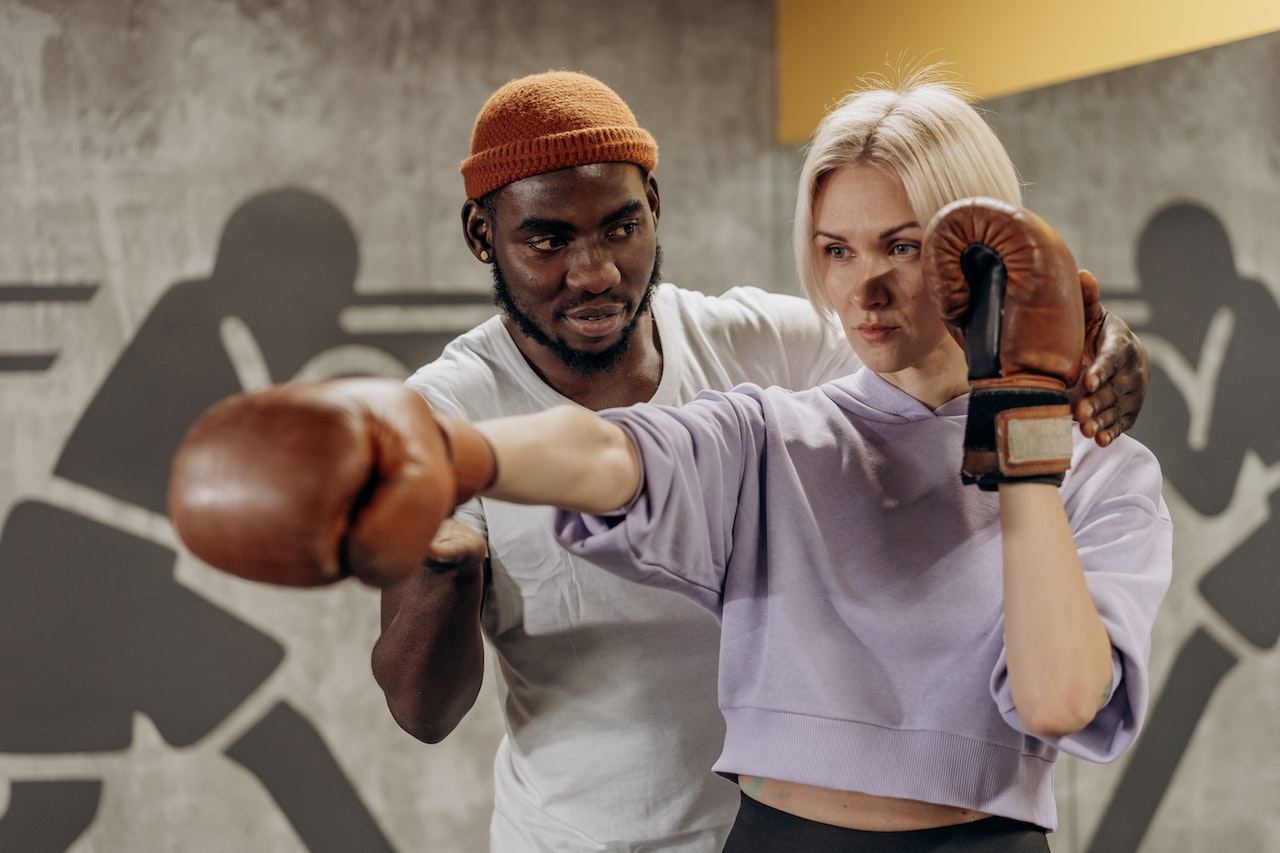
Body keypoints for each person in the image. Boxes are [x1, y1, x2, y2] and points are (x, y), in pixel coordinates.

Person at [169, 71, 1154, 852]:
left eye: (618, 228)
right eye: (837, 252)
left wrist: (1070, 359)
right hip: (597, 833)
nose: (591, 271)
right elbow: (603, 453)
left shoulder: (769, 344)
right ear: (486, 237)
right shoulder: (756, 427)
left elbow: (921, 373)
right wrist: (438, 456)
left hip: (763, 821)